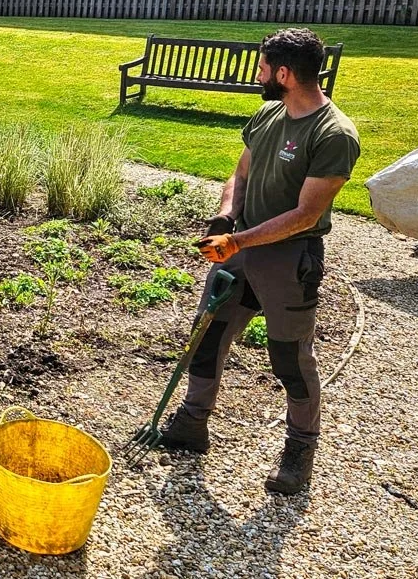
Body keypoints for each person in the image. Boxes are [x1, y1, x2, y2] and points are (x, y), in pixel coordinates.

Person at [159, 28, 360, 496]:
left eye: (264, 67)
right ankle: (192, 424)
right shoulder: (270, 114)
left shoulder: (334, 135)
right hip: (241, 248)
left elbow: (306, 214)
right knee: (207, 336)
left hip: (289, 260)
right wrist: (227, 215)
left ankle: (299, 453)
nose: (258, 74)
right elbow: (241, 172)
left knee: (290, 360)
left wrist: (238, 240)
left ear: (284, 74)